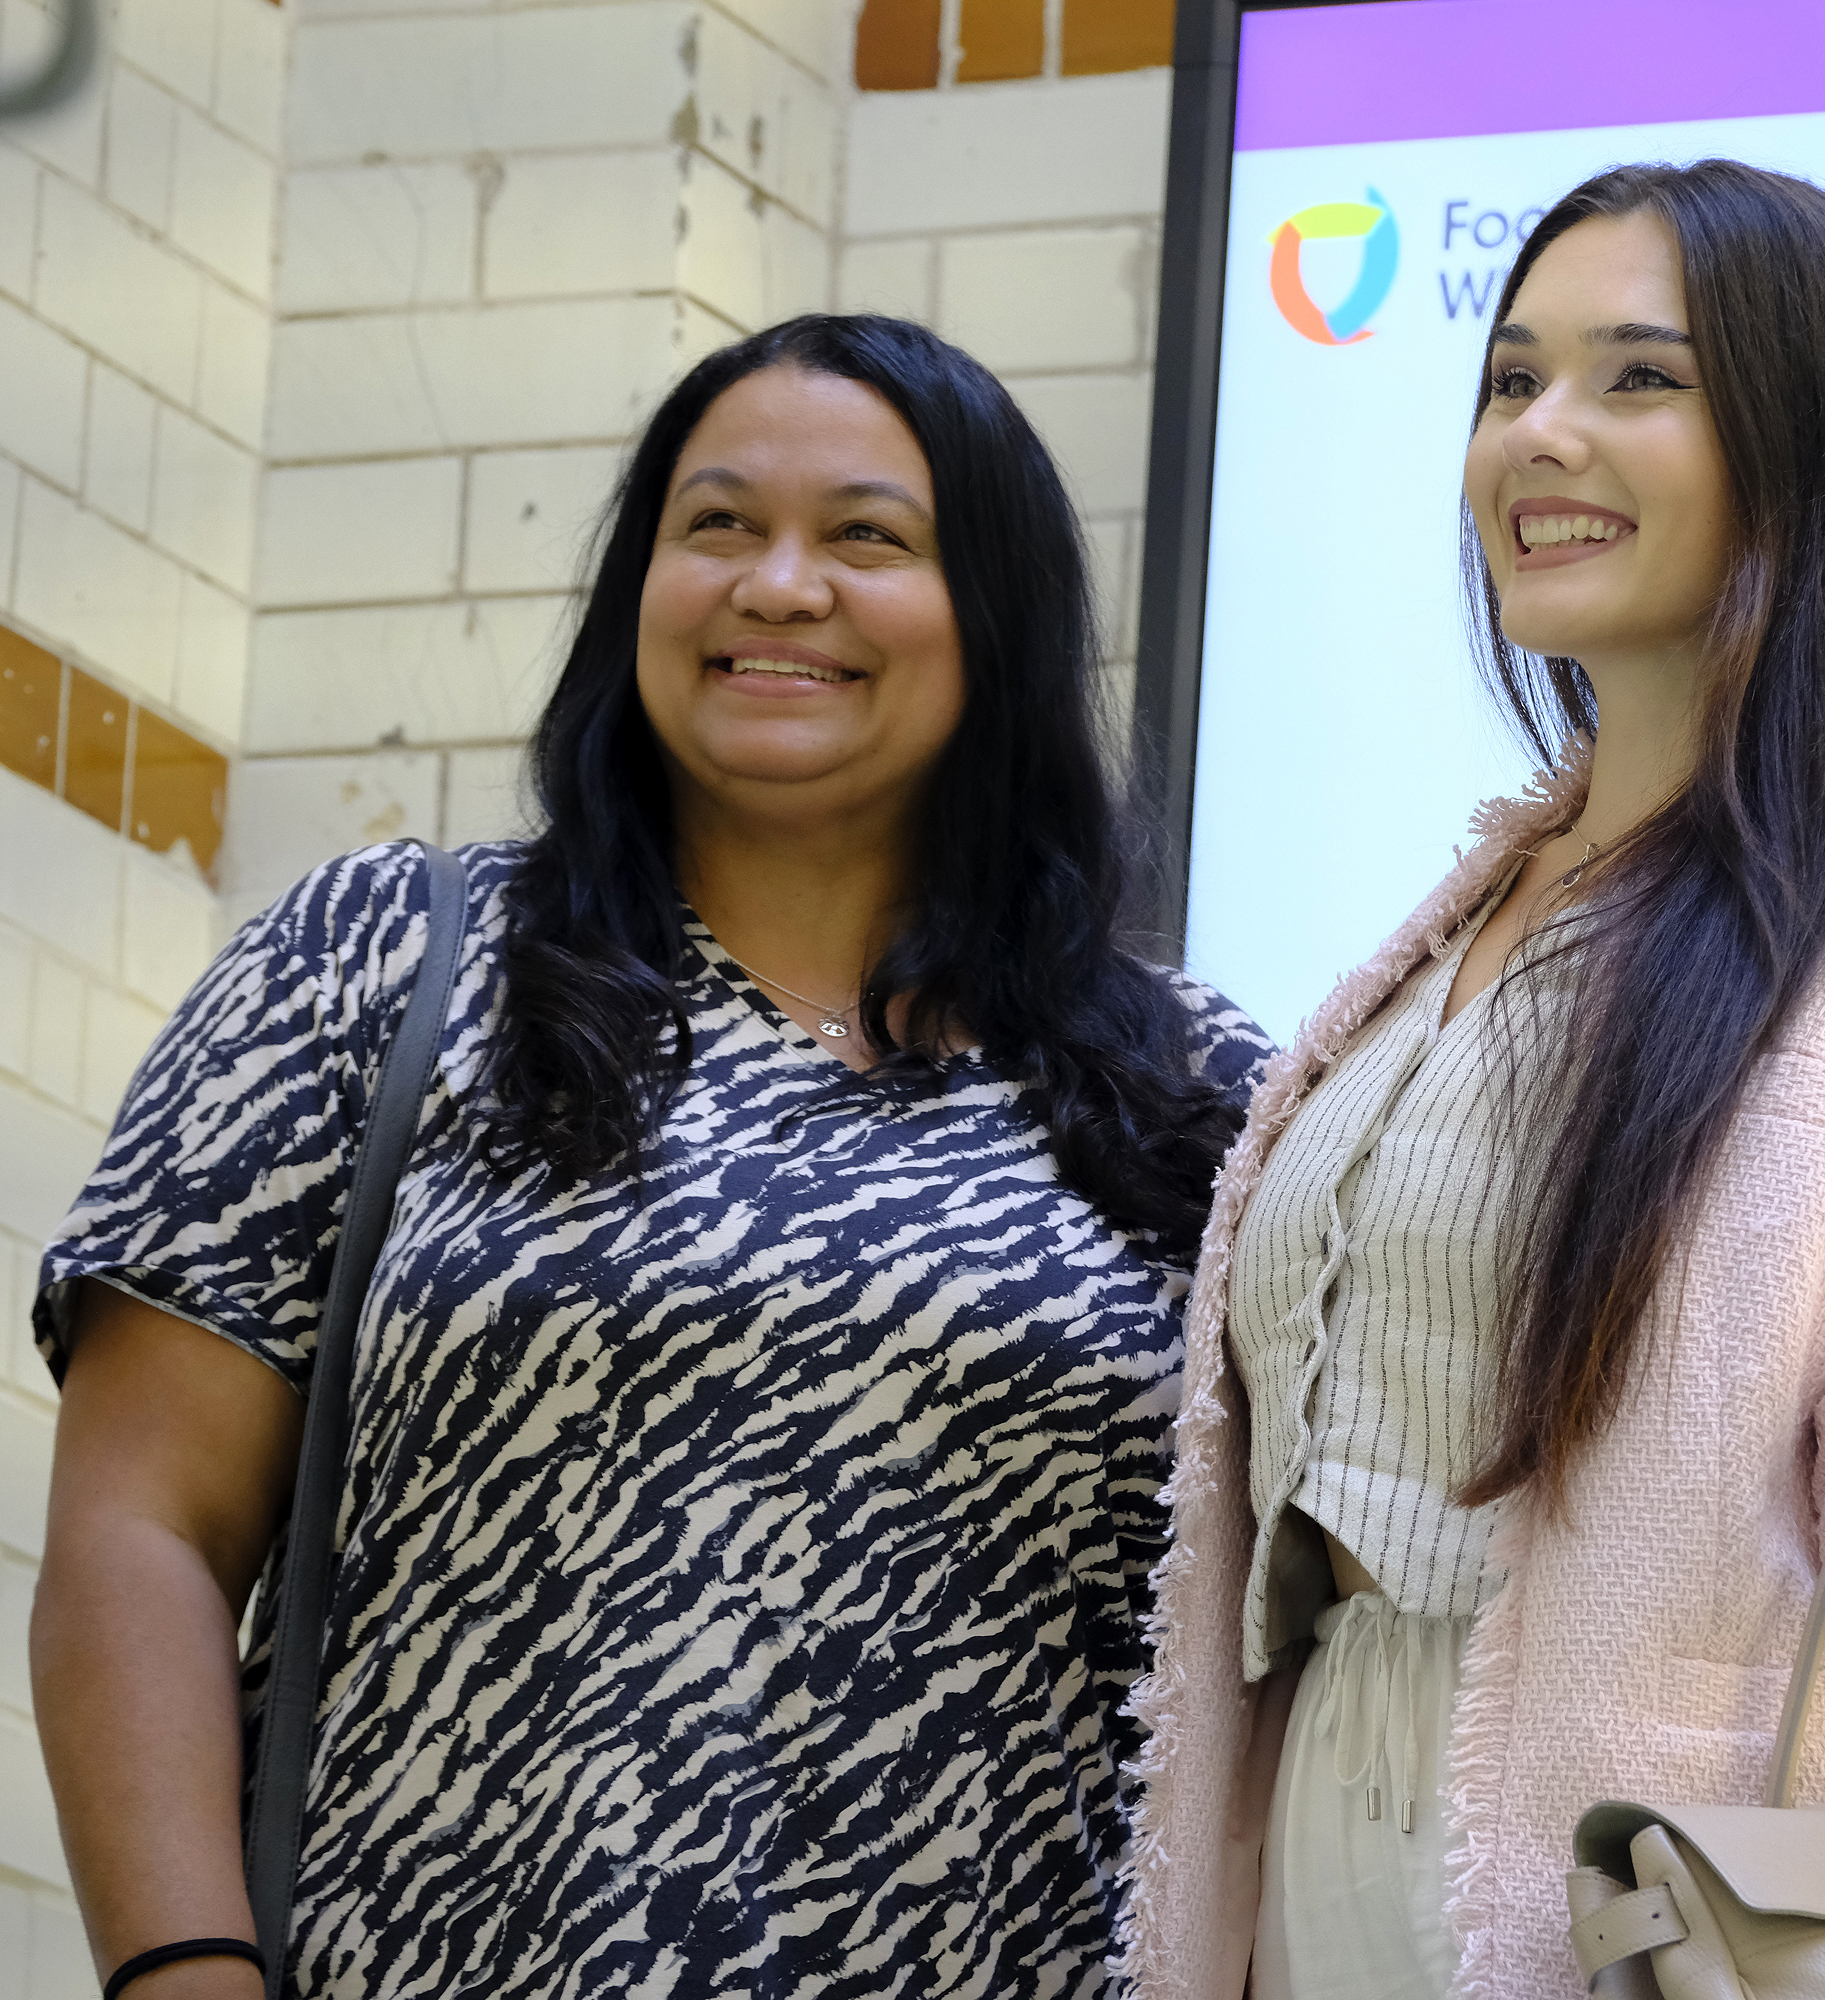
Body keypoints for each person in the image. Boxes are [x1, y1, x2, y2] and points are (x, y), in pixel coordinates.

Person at [30, 315, 1267, 1998]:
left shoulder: (1209, 1096)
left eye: (867, 538)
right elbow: (140, 1527)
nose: (778, 585)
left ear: (1001, 613)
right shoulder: (385, 961)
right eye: (717, 525)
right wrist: (185, 1976)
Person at [1116, 161, 1825, 1997]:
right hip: (1335, 1791)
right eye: (1512, 379)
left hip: (1692, 1885)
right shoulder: (1470, 901)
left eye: (1639, 378)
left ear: (1819, 456)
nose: (1539, 434)